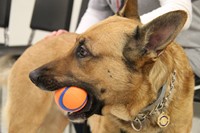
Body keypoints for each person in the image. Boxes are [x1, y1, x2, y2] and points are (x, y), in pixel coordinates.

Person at [48, 0, 200, 132]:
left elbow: (178, 8)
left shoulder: (133, 38)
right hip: (125, 53)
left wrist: (129, 34)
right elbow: (96, 10)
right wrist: (77, 40)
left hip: (184, 50)